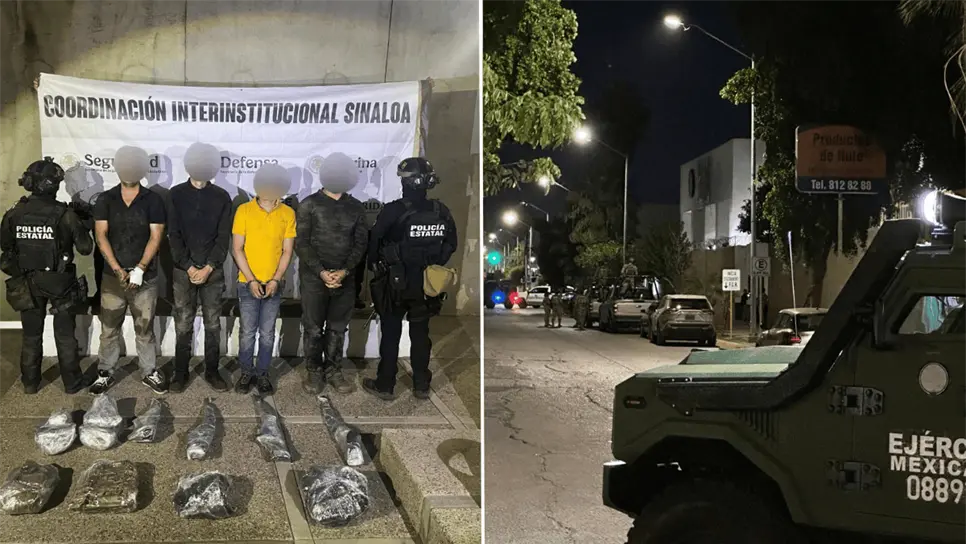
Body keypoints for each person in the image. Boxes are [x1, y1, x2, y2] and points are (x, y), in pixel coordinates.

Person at [363, 157, 457, 401]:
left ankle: (385, 384)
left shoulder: (394, 210)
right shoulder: (441, 211)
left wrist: (379, 266)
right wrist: (432, 265)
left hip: (396, 282)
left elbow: (374, 242)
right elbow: (451, 245)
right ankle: (421, 385)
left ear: (408, 182)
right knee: (420, 334)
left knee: (391, 334)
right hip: (425, 284)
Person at [0, 157, 94, 394]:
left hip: (26, 282)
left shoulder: (14, 212)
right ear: (55, 184)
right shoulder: (65, 214)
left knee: (31, 335)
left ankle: (30, 383)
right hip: (59, 282)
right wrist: (84, 220)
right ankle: (72, 383)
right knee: (64, 336)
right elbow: (85, 248)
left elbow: (5, 246)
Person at [89, 146, 168, 395]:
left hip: (146, 277)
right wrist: (117, 269)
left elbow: (156, 236)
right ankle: (105, 372)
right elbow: (100, 234)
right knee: (109, 328)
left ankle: (149, 371)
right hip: (112, 278)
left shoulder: (153, 200)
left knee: (144, 329)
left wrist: (140, 269)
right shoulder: (105, 199)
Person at [296, 153, 368, 395]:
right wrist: (322, 272)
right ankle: (314, 371)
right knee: (314, 328)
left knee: (338, 329)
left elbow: (360, 244)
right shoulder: (308, 205)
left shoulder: (356, 207)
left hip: (345, 280)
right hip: (313, 279)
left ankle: (334, 371)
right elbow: (302, 244)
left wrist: (344, 272)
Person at [166, 143, 232, 393]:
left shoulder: (222, 197)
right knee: (183, 322)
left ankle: (212, 372)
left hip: (212, 272)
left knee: (213, 324)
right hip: (183, 272)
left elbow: (223, 236)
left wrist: (209, 267)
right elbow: (173, 233)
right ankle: (180, 373)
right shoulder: (175, 195)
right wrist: (188, 266)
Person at [231, 163, 296, 394]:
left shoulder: (288, 213)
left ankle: (263, 373)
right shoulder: (244, 211)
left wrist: (275, 279)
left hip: (274, 284)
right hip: (247, 283)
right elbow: (237, 248)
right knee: (248, 332)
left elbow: (287, 251)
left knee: (267, 333)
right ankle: (246, 372)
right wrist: (251, 280)